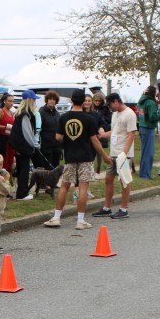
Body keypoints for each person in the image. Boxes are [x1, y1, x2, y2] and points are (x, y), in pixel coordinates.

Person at [43, 89, 112, 230]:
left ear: (71, 100)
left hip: (70, 156)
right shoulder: (89, 119)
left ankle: (56, 217)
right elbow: (94, 139)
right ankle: (80, 220)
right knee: (83, 188)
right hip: (86, 156)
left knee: (64, 186)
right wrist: (105, 156)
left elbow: (58, 137)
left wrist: (68, 140)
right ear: (84, 101)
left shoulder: (64, 117)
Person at [92, 92, 135, 219]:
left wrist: (124, 153)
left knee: (124, 181)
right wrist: (102, 135)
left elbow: (131, 135)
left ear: (116, 101)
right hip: (113, 152)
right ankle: (107, 208)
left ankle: (123, 209)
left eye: (110, 105)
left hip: (123, 154)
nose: (110, 108)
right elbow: (115, 131)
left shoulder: (130, 114)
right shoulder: (115, 114)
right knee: (108, 179)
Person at [8, 89, 53, 200]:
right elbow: (27, 133)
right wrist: (35, 144)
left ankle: (22, 192)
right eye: (33, 99)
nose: (35, 102)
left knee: (22, 168)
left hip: (20, 146)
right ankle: (22, 194)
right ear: (30, 100)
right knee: (24, 169)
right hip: (23, 147)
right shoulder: (25, 114)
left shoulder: (22, 113)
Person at [136, 85, 160, 179]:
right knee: (149, 153)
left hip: (142, 127)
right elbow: (152, 117)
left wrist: (143, 93)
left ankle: (143, 172)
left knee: (144, 151)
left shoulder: (142, 101)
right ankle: (145, 174)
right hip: (148, 128)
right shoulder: (151, 103)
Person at [0, 93, 15, 172]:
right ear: (4, 101)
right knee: (2, 160)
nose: (11, 103)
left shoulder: (12, 113)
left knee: (10, 159)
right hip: (2, 139)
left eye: (13, 101)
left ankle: (8, 175)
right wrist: (5, 127)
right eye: (9, 101)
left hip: (10, 138)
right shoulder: (1, 111)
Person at [39, 90, 62, 169]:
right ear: (47, 100)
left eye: (54, 99)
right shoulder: (41, 112)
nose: (52, 101)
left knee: (56, 169)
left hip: (57, 146)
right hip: (46, 146)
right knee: (47, 169)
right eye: (50, 99)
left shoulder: (57, 113)